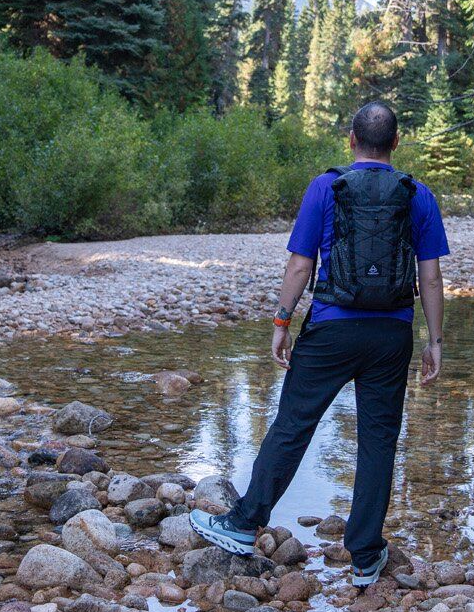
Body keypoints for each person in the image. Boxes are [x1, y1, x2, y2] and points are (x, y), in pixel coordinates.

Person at [190, 100, 447, 586]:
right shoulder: (419, 195)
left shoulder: (325, 187)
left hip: (330, 329)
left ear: (350, 140)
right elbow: (430, 279)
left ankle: (245, 524)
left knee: (294, 424)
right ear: (396, 143)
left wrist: (281, 321)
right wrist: (435, 341)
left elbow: (299, 266)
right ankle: (366, 554)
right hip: (392, 335)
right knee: (377, 441)